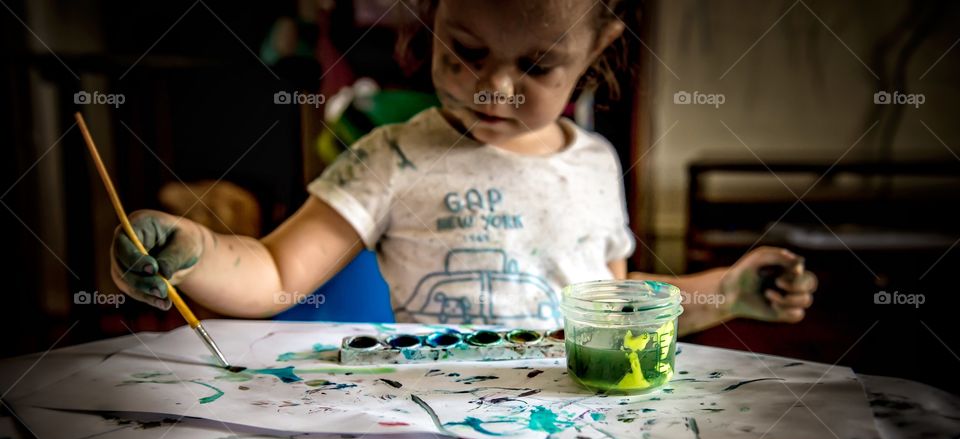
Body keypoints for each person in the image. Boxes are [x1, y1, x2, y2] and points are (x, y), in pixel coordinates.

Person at [111, 0, 817, 334]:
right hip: (432, 421)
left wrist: (728, 291)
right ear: (431, 20)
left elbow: (615, 306)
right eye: (467, 52)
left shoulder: (597, 164)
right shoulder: (391, 156)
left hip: (570, 423)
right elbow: (272, 274)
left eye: (537, 65)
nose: (494, 88)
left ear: (598, 49)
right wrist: (193, 252)